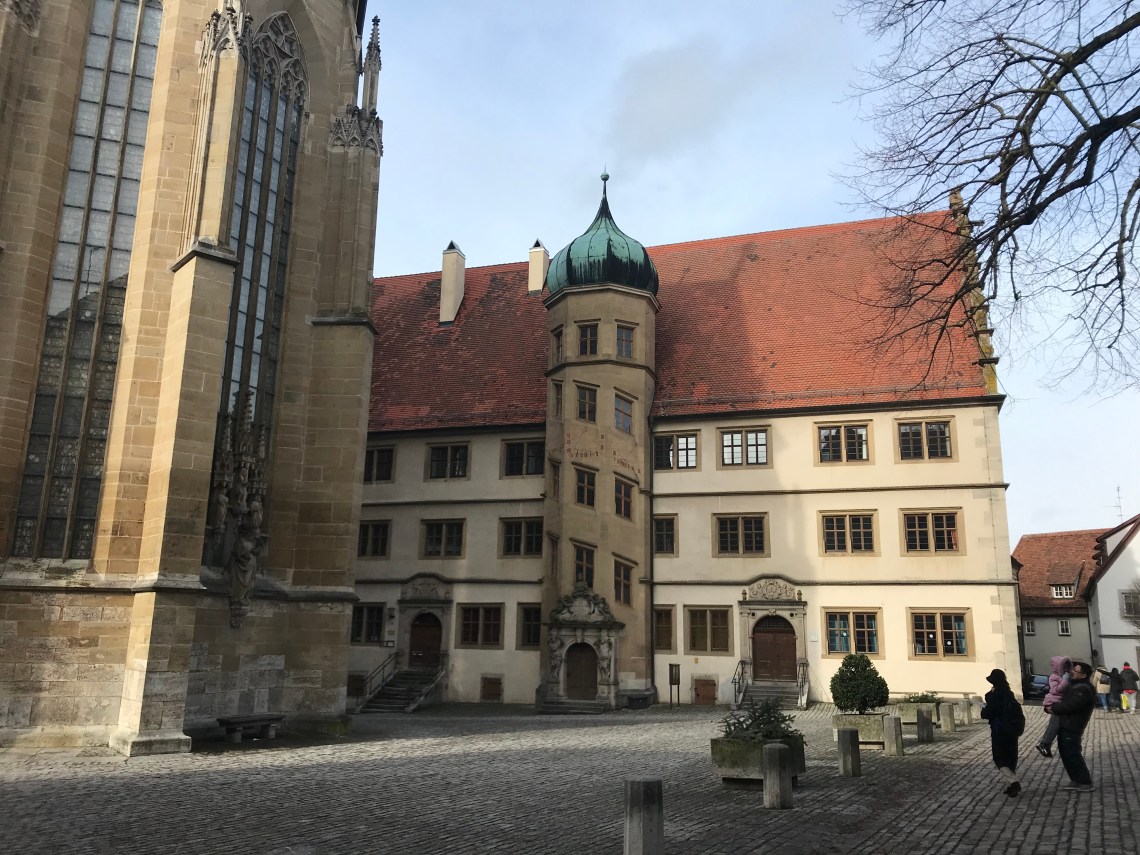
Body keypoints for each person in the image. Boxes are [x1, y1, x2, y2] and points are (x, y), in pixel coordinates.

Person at [1045, 660, 1096, 792]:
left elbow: (1071, 706)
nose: (1072, 672)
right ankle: (1076, 780)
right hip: (1066, 724)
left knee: (1073, 754)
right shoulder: (1074, 686)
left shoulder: (1083, 689)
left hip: (1073, 725)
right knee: (1066, 754)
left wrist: (1054, 708)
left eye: (1075, 671)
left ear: (1083, 675)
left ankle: (1085, 782)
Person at [981, 668, 1025, 797]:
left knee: (1000, 757)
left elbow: (986, 713)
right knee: (1011, 757)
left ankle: (1013, 782)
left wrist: (988, 698)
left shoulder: (995, 696)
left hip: (999, 730)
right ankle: (1011, 785)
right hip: (1012, 730)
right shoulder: (1009, 693)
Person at [1034, 655, 1070, 757]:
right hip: (1055, 702)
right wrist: (1065, 682)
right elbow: (1055, 690)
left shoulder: (1063, 675)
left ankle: (1045, 745)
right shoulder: (1054, 677)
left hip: (1059, 702)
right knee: (1055, 725)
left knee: (1054, 724)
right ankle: (1044, 744)